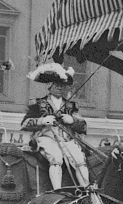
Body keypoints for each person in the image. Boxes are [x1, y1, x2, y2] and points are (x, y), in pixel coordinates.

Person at [21, 62, 90, 190]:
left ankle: (87, 190)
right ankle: (57, 191)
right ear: (49, 85)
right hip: (47, 139)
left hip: (67, 140)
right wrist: (42, 121)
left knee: (80, 159)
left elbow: (83, 126)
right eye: (56, 84)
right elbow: (24, 124)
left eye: (62, 85)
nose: (59, 87)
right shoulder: (37, 104)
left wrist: (72, 120)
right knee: (56, 158)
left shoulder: (71, 106)